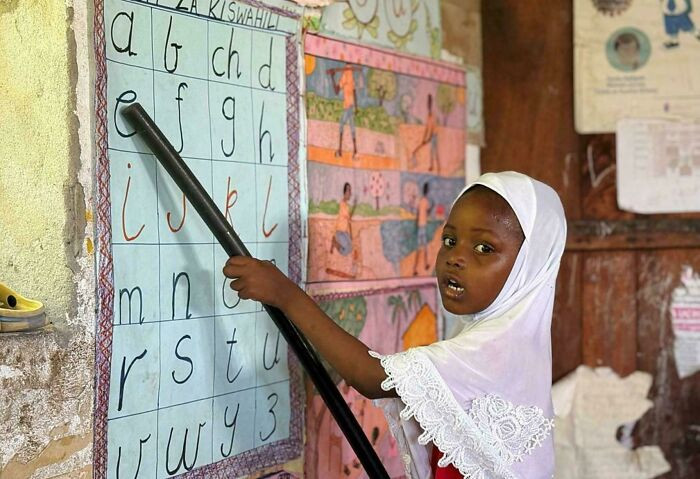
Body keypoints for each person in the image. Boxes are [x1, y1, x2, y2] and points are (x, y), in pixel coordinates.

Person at [223, 171, 567, 478]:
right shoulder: (506, 340)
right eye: (449, 240)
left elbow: (374, 378)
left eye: (484, 247)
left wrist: (287, 296)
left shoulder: (494, 348)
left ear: (530, 267)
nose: (456, 257)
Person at [329, 64, 359, 159]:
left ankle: (344, 151)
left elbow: (338, 90)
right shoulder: (346, 76)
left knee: (345, 126)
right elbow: (337, 90)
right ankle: (352, 151)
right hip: (348, 106)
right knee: (350, 127)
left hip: (349, 107)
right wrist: (332, 77)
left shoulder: (348, 76)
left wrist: (332, 77)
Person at [411, 94, 440, 173]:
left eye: (429, 103)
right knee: (431, 151)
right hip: (431, 135)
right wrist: (424, 139)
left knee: (434, 151)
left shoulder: (433, 116)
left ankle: (437, 166)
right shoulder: (428, 116)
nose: (428, 105)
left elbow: (432, 128)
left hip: (434, 135)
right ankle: (432, 166)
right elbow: (427, 128)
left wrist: (429, 138)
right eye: (428, 103)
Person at [413, 182, 433, 276]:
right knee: (424, 246)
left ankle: (416, 268)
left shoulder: (421, 201)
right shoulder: (425, 201)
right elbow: (428, 211)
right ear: (427, 191)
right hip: (423, 226)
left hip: (420, 225)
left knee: (419, 247)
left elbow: (418, 212)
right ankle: (426, 264)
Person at [330, 182, 354, 256]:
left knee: (350, 248)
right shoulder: (342, 204)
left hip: (345, 232)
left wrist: (351, 234)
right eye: (349, 190)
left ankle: (334, 242)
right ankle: (334, 243)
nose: (350, 193)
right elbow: (342, 219)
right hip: (340, 231)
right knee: (347, 249)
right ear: (345, 192)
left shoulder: (347, 206)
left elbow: (348, 220)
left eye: (350, 190)